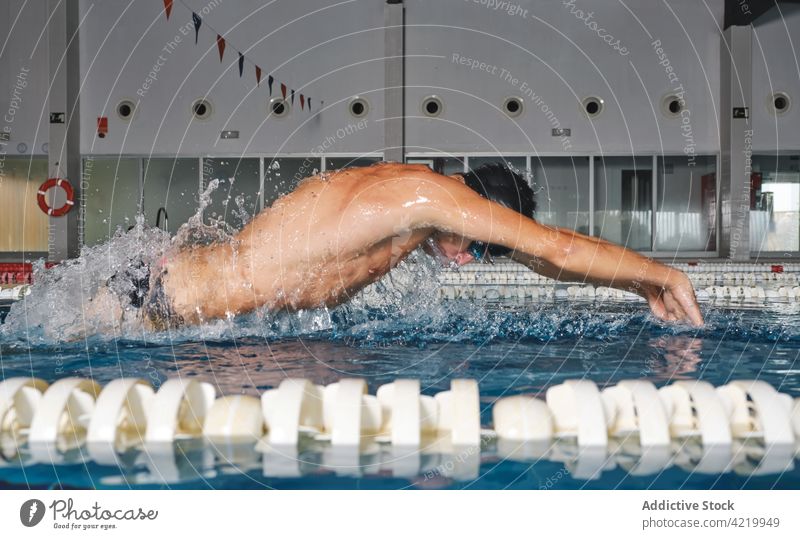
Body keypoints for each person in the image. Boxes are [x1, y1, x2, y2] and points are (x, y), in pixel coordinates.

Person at [111, 161, 703, 330]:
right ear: (481, 212)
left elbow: (540, 260)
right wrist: (664, 273)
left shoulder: (421, 217)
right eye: (483, 246)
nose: (473, 260)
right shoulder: (426, 195)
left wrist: (635, 283)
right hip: (149, 296)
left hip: (176, 314)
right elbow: (554, 247)